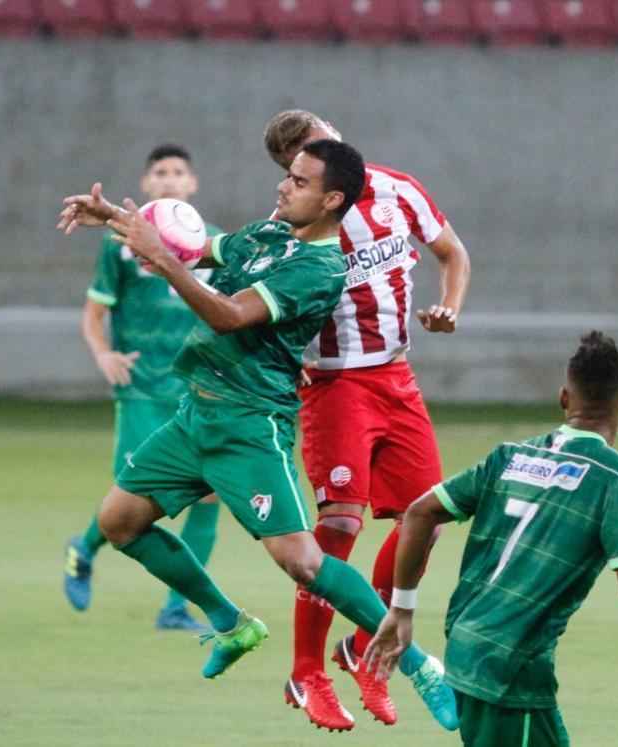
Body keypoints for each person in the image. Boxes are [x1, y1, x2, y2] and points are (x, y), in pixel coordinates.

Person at [54, 139, 459, 731]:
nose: (283, 186)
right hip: (197, 414)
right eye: (287, 175)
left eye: (298, 181)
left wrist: (160, 261)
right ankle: (230, 623)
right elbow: (200, 248)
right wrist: (118, 219)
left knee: (304, 562)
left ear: (332, 199)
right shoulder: (269, 235)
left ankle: (420, 666)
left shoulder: (320, 268)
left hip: (249, 425)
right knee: (118, 523)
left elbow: (228, 314)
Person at [364, 331, 618, 747]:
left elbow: (420, 512)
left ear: (564, 398)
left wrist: (402, 609)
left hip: (466, 644)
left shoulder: (509, 457)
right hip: (510, 671)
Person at [262, 110, 472, 731]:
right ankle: (307, 672)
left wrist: (449, 307)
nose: (325, 150)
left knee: (428, 520)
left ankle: (361, 645)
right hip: (333, 383)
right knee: (340, 525)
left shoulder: (399, 190)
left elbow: (452, 253)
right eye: (305, 157)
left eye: (327, 136)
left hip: (396, 377)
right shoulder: (291, 228)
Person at [63, 144, 224, 632]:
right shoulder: (120, 244)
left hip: (193, 388)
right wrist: (104, 353)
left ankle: (176, 607)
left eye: (179, 172)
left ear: (192, 184)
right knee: (131, 493)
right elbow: (94, 313)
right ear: (147, 184)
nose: (171, 179)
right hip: (140, 387)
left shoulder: (213, 243)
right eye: (161, 172)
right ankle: (84, 548)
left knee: (209, 492)